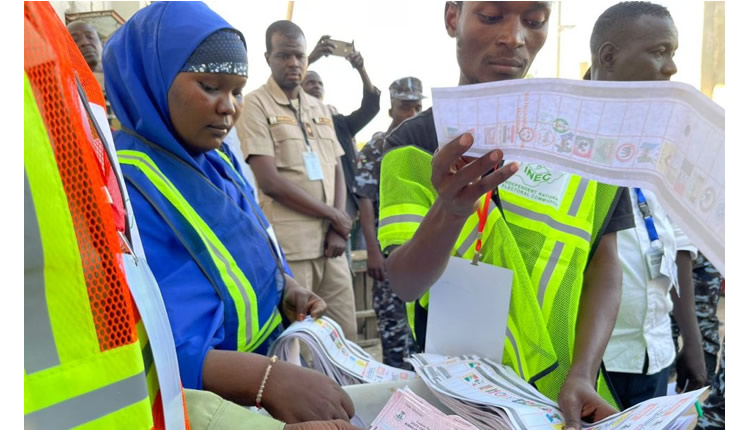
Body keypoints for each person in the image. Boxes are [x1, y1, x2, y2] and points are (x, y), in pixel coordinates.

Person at [378, 2, 636, 428]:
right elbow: (405, 282)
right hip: (464, 402)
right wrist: (452, 210)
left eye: (534, 22)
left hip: (568, 398)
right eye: (493, 16)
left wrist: (582, 374)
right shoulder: (416, 141)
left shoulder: (582, 137)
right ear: (452, 18)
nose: (515, 38)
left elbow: (604, 261)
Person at [102, 3, 358, 426]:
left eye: (237, 91)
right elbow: (151, 347)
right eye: (210, 86)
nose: (229, 107)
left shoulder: (218, 161)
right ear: (151, 77)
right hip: (210, 406)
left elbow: (250, 244)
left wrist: (286, 288)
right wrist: (268, 381)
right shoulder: (122, 187)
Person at [589, 2, 708, 409]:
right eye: (659, 52)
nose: (672, 67)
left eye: (673, 53)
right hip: (586, 361)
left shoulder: (662, 141)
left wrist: (690, 340)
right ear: (609, 56)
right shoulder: (561, 135)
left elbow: (678, 246)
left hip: (654, 355)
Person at [237, 20, 357, 341]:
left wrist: (336, 227)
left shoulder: (319, 107)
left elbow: (336, 168)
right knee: (302, 343)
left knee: (346, 334)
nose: (293, 63)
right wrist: (333, 214)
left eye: (300, 56)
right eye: (284, 56)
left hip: (332, 247)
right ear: (268, 58)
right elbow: (269, 181)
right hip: (292, 252)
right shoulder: (254, 104)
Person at [353, 77, 425, 369]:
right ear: (392, 109)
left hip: (422, 251)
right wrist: (372, 250)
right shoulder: (378, 146)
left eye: (417, 107)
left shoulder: (426, 141)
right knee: (394, 336)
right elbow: (365, 199)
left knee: (424, 340)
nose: (411, 113)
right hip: (387, 254)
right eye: (405, 107)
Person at [303, 39, 381, 253]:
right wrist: (309, 59)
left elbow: (370, 107)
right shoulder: (289, 119)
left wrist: (361, 69)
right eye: (309, 82)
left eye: (319, 83)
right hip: (305, 205)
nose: (315, 86)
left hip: (343, 206)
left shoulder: (338, 123)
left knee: (342, 267)